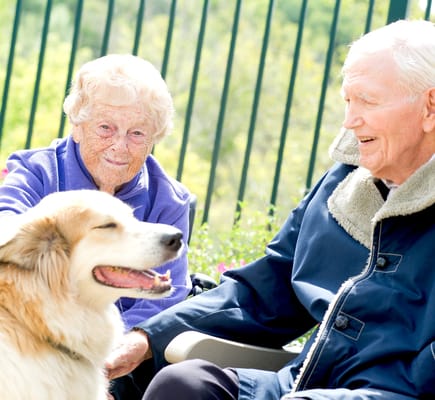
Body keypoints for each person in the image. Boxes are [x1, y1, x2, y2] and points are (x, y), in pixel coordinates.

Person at [104, 19, 435, 400]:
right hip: (298, 385)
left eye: (368, 101)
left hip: (397, 394)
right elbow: (267, 290)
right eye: (348, 100)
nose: (349, 120)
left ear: (429, 106)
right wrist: (147, 338)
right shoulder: (342, 185)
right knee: (185, 386)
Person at [0, 54, 192, 399]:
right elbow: (7, 222)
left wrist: (117, 353)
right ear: (77, 124)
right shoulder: (35, 171)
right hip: (31, 337)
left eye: (137, 133)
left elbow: (167, 294)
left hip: (118, 359)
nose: (120, 146)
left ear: (154, 137)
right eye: (106, 128)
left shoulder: (169, 201)